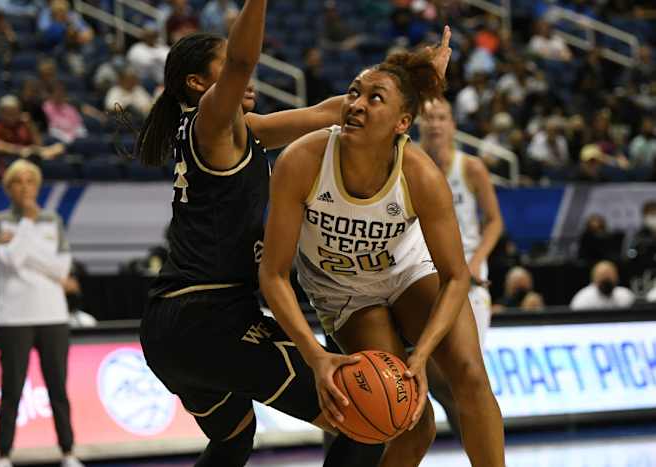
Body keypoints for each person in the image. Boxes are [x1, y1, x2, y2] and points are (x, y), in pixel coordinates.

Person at [135, 1, 410, 464]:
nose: (247, 78)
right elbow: (243, 61)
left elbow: (331, 111)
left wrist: (404, 77)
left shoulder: (244, 130)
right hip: (209, 316)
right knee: (362, 415)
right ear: (199, 84)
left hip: (168, 326)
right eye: (226, 70)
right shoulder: (211, 123)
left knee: (233, 437)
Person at [259, 28, 505, 467]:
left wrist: (423, 356)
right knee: (411, 422)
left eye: (375, 99)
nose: (356, 103)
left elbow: (455, 277)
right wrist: (315, 356)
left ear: (402, 123)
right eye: (353, 93)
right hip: (343, 292)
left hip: (407, 272)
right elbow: (273, 275)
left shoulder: (421, 175)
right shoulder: (302, 161)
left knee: (468, 376)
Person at [0, 160, 83, 467]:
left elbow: (61, 267)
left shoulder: (53, 220)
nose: (25, 187)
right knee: (11, 389)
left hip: (53, 316)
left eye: (30, 181)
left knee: (58, 388)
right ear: (9, 187)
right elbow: (12, 262)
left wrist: (24, 245)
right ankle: (3, 455)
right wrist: (27, 226)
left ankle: (68, 452)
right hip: (13, 317)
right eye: (18, 181)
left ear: (38, 186)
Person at [418, 97, 503, 437]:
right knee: (437, 378)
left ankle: (481, 447)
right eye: (429, 117)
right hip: (422, 274)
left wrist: (476, 262)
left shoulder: (470, 168)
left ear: (453, 124)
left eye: (441, 117)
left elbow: (494, 221)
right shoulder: (409, 163)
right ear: (417, 123)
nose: (435, 124)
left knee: (467, 374)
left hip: (467, 276)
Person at [570, 260, 635, 310]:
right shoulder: (582, 299)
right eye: (602, 276)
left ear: (617, 277)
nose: (606, 280)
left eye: (609, 276)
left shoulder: (626, 296)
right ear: (594, 279)